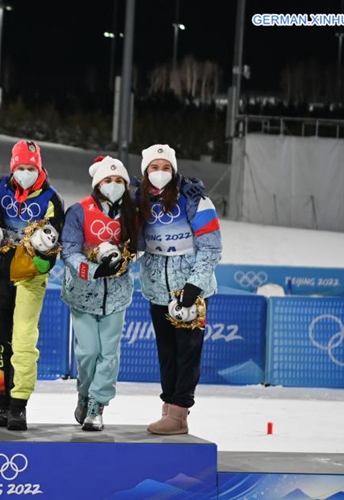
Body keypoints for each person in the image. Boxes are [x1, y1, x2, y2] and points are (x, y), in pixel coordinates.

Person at [136, 144, 222, 435]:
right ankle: (170, 410)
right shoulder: (140, 200)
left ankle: (179, 410)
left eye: (165, 167)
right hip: (158, 290)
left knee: (188, 352)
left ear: (174, 170)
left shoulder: (195, 199)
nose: (160, 173)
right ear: (145, 172)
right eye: (154, 167)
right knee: (167, 352)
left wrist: (193, 286)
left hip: (190, 291)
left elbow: (211, 246)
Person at [0, 140, 65, 430]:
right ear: (12, 167)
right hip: (0, 278)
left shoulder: (51, 199)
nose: (26, 172)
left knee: (24, 342)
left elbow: (52, 251)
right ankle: (2, 404)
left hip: (30, 278)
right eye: (21, 167)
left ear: (39, 167)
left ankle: (18, 406)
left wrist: (32, 265)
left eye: (31, 167)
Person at [60, 155, 138, 431]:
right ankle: (84, 393)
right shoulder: (78, 211)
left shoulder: (132, 212)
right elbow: (67, 251)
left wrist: (126, 260)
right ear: (97, 183)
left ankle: (97, 404)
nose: (113, 185)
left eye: (119, 181)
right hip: (83, 293)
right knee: (88, 352)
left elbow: (138, 246)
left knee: (109, 353)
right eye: (108, 180)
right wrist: (92, 270)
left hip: (116, 295)